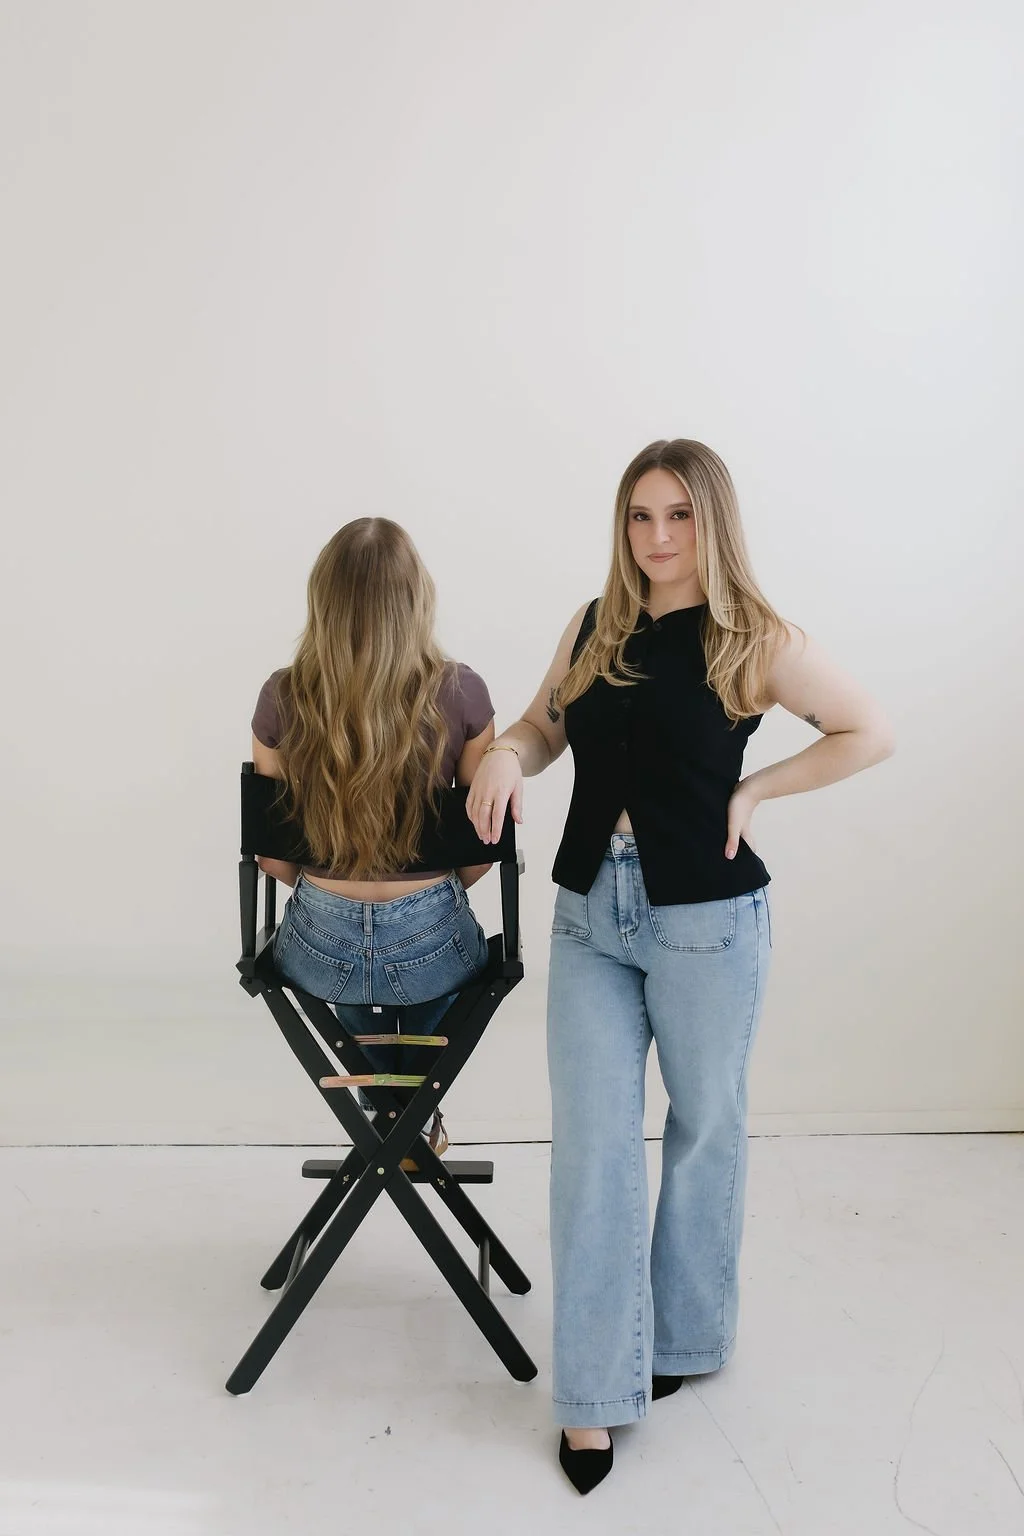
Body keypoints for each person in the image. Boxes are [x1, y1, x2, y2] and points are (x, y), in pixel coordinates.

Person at [466, 438, 895, 1493]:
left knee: (704, 1129)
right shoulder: (594, 624)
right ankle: (592, 1397)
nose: (656, 537)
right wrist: (508, 753)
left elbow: (866, 730)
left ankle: (688, 1338)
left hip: (707, 917)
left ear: (713, 521)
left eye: (678, 515)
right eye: (639, 516)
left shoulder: (755, 637)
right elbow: (540, 726)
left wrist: (757, 792)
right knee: (593, 1149)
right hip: (589, 914)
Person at [251, 516, 496, 1154]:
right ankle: (409, 1115)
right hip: (432, 949)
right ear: (417, 598)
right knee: (439, 957)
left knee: (355, 962)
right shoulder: (462, 691)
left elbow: (272, 860)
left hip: (319, 954)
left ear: (323, 600)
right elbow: (476, 856)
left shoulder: (281, 695)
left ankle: (384, 1112)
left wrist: (341, 899)